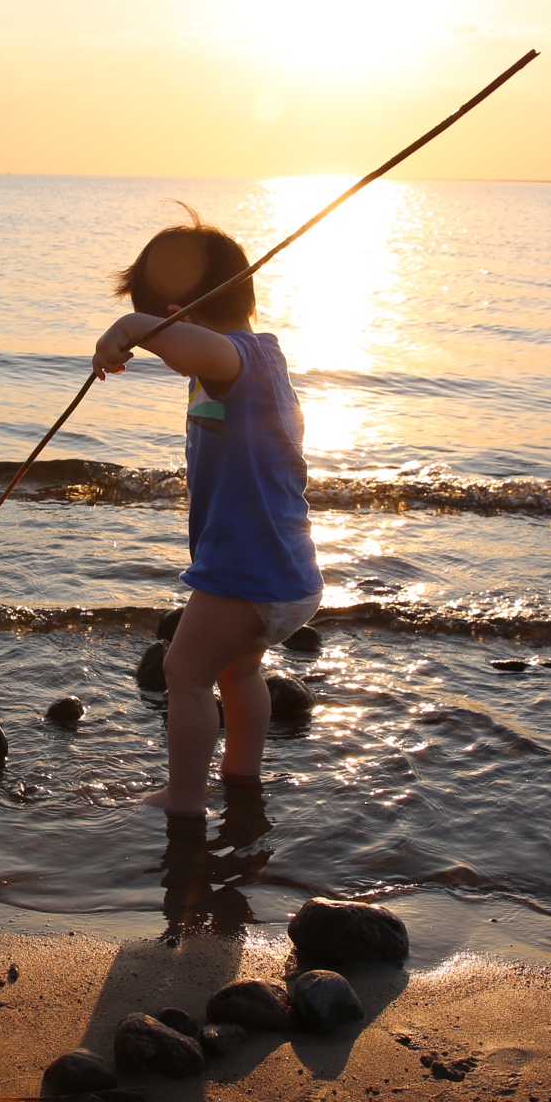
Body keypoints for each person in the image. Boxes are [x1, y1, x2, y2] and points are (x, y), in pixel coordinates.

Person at [92, 211, 323, 818]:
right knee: (240, 671)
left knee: (184, 672)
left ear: (183, 315)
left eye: (165, 321)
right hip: (282, 570)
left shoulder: (235, 360)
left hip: (247, 568)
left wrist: (131, 325)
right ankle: (242, 779)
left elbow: (199, 349)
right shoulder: (238, 363)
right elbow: (195, 352)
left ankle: (184, 801)